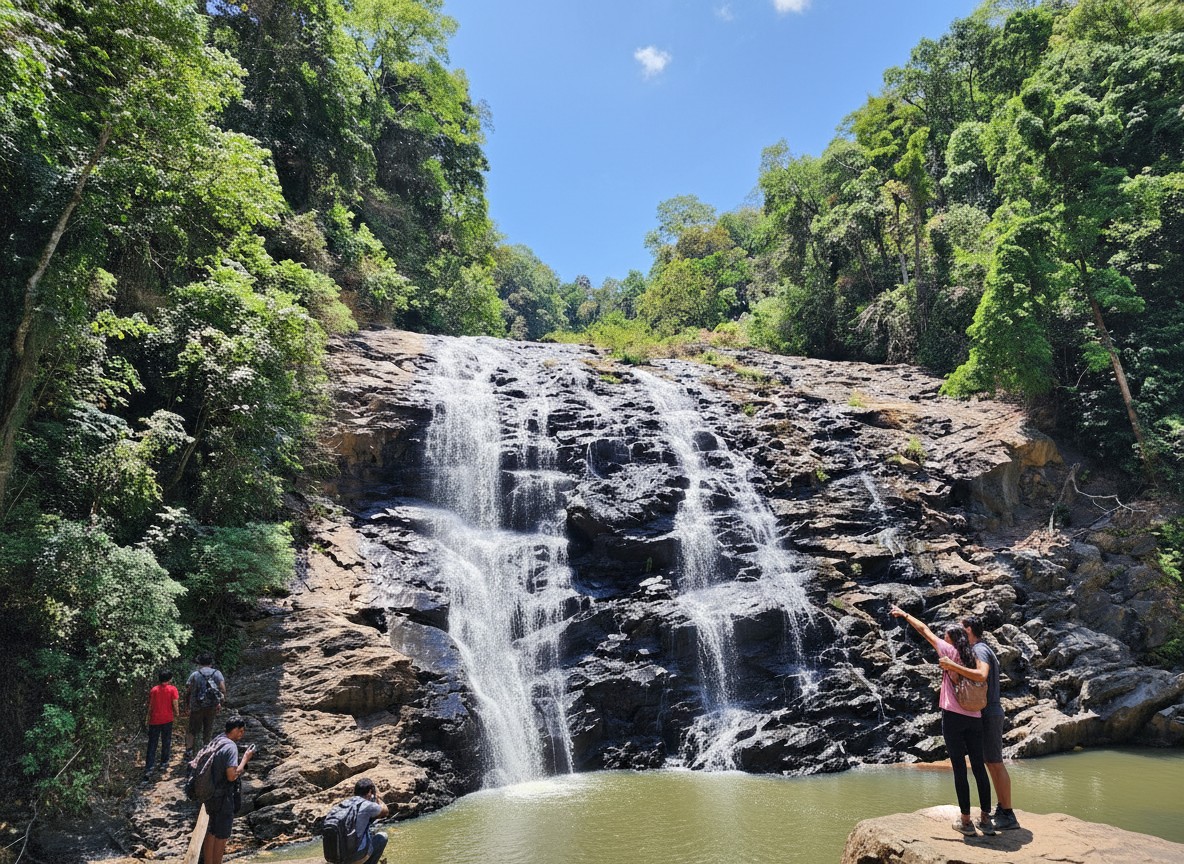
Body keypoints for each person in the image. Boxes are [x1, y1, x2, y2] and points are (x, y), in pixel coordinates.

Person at [890, 604, 996, 836]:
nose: (943, 638)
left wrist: (905, 614)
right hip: (975, 717)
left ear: (950, 640)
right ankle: (986, 819)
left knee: (959, 769)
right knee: (979, 767)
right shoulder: (972, 655)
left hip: (953, 718)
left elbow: (924, 631)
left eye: (945, 636)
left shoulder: (948, 653)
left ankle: (966, 822)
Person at [939, 614, 1021, 831]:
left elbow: (982, 675)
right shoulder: (976, 650)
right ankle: (1001, 809)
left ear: (968, 630)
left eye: (960, 627)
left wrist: (953, 667)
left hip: (989, 713)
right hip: (985, 713)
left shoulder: (979, 649)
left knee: (994, 761)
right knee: (989, 762)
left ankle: (1008, 812)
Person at [201, 716, 255, 864]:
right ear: (235, 729)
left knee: (212, 831)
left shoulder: (217, 740)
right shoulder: (231, 747)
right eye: (241, 731)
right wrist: (245, 759)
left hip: (210, 794)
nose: (242, 734)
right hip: (223, 797)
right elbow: (231, 776)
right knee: (222, 835)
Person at [335, 777, 390, 864]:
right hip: (355, 857)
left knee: (369, 833)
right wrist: (377, 798)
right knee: (382, 837)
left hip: (337, 856)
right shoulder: (367, 805)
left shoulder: (343, 805)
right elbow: (385, 811)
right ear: (369, 792)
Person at [184, 653, 226, 758]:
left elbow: (188, 691)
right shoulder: (217, 673)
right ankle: (206, 749)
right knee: (208, 729)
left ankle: (189, 751)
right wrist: (219, 702)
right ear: (211, 663)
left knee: (192, 730)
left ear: (199, 663)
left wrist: (187, 705)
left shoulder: (195, 674)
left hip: (196, 706)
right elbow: (223, 689)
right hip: (211, 706)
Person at [143, 669, 179, 780]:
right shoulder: (172, 689)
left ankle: (149, 767)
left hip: (154, 720)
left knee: (152, 743)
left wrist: (147, 717)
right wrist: (177, 714)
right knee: (166, 740)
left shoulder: (154, 690)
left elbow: (150, 705)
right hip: (167, 719)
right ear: (169, 679)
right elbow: (175, 703)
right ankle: (164, 762)